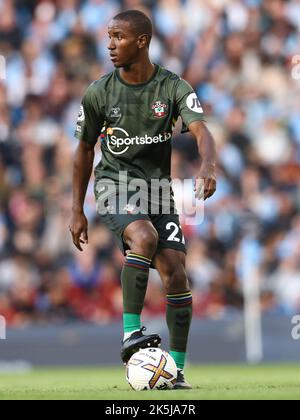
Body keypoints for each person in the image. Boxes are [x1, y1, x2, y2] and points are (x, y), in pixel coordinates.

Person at [69, 9, 217, 390]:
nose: (109, 44)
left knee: (176, 273)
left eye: (118, 36)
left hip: (157, 191)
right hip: (114, 185)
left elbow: (202, 131)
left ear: (142, 41)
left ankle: (177, 371)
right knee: (144, 237)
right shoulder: (99, 92)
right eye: (109, 36)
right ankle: (130, 334)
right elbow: (84, 151)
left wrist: (207, 167)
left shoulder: (172, 87)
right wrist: (76, 209)